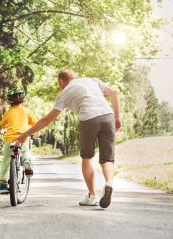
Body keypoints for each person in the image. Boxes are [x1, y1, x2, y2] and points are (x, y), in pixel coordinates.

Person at [14, 69, 122, 208]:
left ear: (61, 82)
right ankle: (108, 183)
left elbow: (46, 120)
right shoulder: (92, 80)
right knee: (107, 158)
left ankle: (92, 195)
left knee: (87, 158)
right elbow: (114, 93)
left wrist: (25, 134)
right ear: (74, 77)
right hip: (108, 115)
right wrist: (117, 117)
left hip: (89, 119)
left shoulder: (64, 93)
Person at [0, 88, 37, 194]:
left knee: (6, 160)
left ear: (10, 102)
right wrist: (36, 135)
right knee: (24, 152)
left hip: (9, 138)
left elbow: (0, 126)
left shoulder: (9, 112)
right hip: (23, 137)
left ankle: (2, 183)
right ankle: (26, 161)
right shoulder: (27, 111)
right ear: (24, 101)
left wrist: (0, 132)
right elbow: (35, 126)